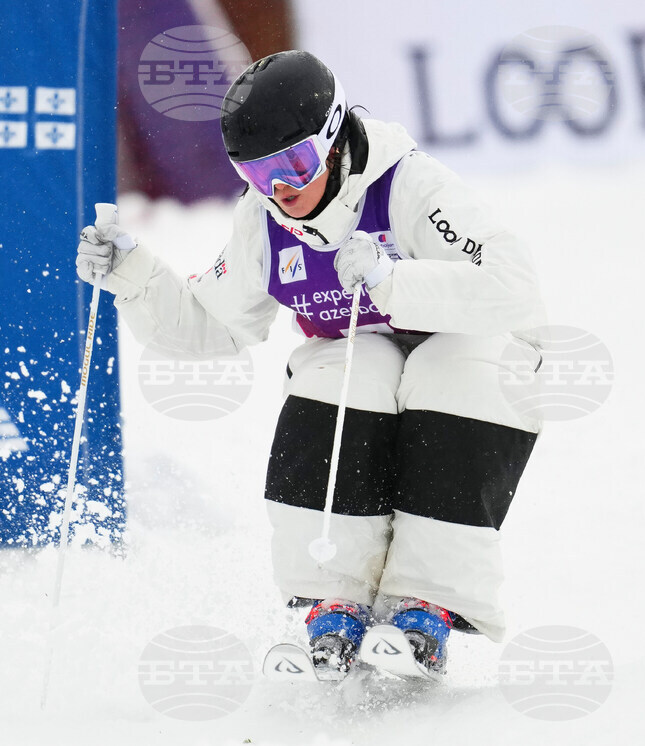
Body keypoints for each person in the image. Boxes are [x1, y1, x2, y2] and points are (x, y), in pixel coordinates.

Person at [77, 50, 546, 678]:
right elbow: (216, 323)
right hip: (372, 353)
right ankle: (335, 604)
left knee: (448, 371)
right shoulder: (264, 221)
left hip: (481, 351)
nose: (283, 190)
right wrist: (133, 274)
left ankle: (424, 609)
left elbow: (514, 288)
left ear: (331, 138)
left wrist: (394, 280)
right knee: (343, 368)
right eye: (258, 173)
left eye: (294, 165)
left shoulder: (410, 186)